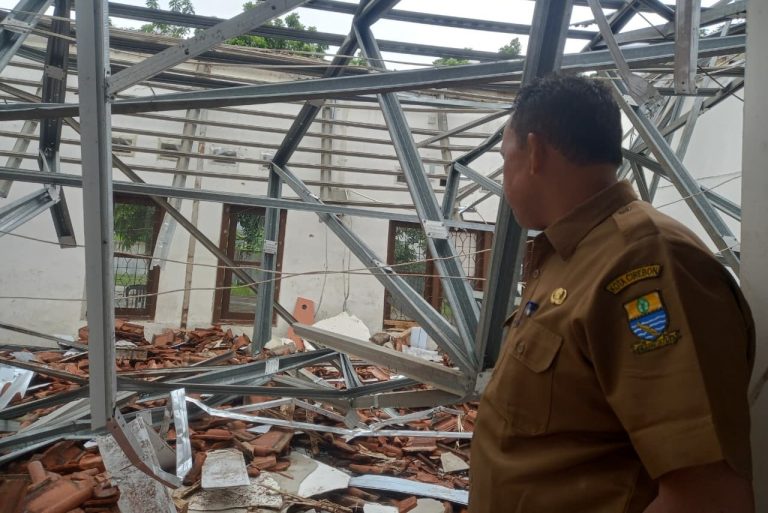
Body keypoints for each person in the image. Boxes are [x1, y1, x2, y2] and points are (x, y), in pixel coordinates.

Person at [468, 74, 755, 513]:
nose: (504, 180)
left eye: (506, 158)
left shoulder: (648, 265)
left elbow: (708, 496)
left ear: (535, 153)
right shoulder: (572, 256)